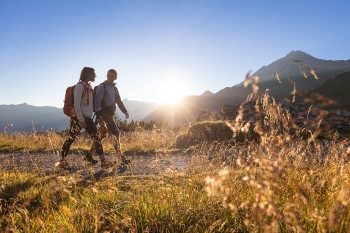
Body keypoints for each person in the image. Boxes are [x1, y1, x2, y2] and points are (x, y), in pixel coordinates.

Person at [59, 67, 113, 169]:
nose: (95, 76)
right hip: (79, 118)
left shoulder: (89, 87)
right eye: (94, 74)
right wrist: (81, 120)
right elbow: (76, 105)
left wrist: (98, 116)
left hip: (87, 118)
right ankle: (63, 160)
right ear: (88, 74)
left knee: (96, 139)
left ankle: (103, 161)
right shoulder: (79, 87)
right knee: (71, 138)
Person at [86, 69, 130, 165]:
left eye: (112, 76)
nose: (110, 77)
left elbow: (119, 101)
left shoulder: (114, 89)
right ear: (107, 75)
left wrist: (125, 111)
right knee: (116, 132)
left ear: (115, 77)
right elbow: (97, 101)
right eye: (109, 75)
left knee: (101, 135)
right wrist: (98, 116)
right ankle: (121, 157)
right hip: (103, 114)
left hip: (109, 114)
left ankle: (89, 155)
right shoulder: (103, 86)